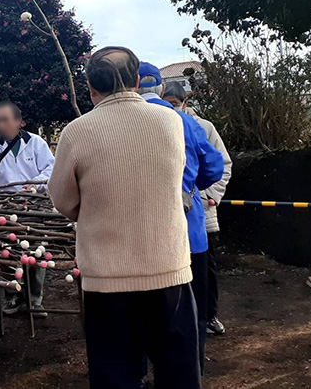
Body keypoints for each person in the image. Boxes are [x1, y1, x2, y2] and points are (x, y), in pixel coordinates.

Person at [49, 47, 200, 388]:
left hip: (107, 280)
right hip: (169, 271)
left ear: (90, 89)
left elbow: (62, 200)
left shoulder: (77, 131)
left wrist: (93, 210)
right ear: (135, 81)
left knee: (116, 376)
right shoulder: (170, 121)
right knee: (178, 374)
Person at [141, 63, 224, 373]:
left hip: (141, 236)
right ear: (163, 89)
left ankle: (141, 370)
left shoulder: (119, 122)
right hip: (188, 234)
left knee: (143, 311)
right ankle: (189, 370)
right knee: (191, 312)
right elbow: (213, 169)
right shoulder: (185, 122)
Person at [0, 100, 55, 317]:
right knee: (6, 252)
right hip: (5, 207)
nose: (1, 124)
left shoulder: (36, 143)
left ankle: (35, 300)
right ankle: (12, 296)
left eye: (6, 120)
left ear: (19, 121)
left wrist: (36, 182)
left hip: (34, 207)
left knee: (37, 250)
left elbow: (51, 168)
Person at [162, 82, 233, 336]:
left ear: (184, 103)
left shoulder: (202, 126)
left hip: (200, 211)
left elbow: (222, 164)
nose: (171, 108)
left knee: (205, 268)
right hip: (171, 213)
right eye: (167, 102)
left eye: (174, 103)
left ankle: (209, 315)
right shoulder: (158, 124)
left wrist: (210, 196)